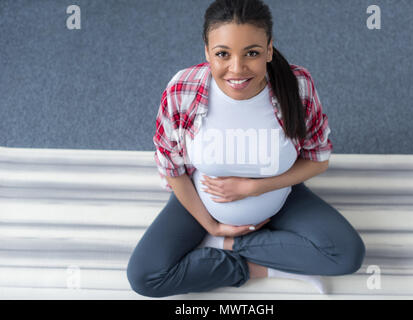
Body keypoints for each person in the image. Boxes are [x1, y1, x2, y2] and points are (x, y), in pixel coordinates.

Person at [127, 0, 366, 298]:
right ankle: (254, 264)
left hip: (280, 200)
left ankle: (228, 248)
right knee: (145, 276)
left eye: (251, 53)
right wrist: (211, 226)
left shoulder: (298, 85)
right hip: (202, 204)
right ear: (206, 52)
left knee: (347, 254)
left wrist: (255, 188)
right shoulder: (182, 90)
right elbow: (171, 167)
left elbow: (318, 159)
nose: (237, 69)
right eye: (222, 54)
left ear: (268, 49)